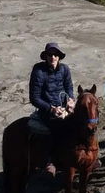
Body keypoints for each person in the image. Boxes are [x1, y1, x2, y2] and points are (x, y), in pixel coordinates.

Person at [28, 42, 75, 176]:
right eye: (50, 55)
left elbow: (69, 88)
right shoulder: (38, 71)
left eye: (55, 55)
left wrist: (70, 101)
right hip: (47, 110)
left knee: (83, 121)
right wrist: (51, 109)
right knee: (57, 126)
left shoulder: (65, 69)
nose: (53, 57)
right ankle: (51, 161)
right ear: (46, 57)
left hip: (64, 106)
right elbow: (34, 97)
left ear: (59, 57)